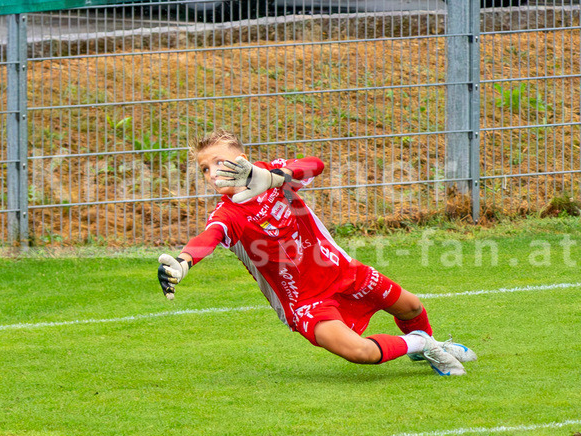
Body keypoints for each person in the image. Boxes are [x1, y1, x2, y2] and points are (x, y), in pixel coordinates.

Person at [157, 129, 477, 376]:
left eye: (219, 162)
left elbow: (314, 165)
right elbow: (208, 237)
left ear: (242, 159)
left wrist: (270, 177)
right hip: (306, 303)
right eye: (204, 169)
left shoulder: (273, 175)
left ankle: (424, 346)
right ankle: (426, 345)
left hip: (342, 271)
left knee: (410, 307)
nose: (212, 173)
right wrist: (183, 263)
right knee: (360, 352)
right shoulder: (228, 214)